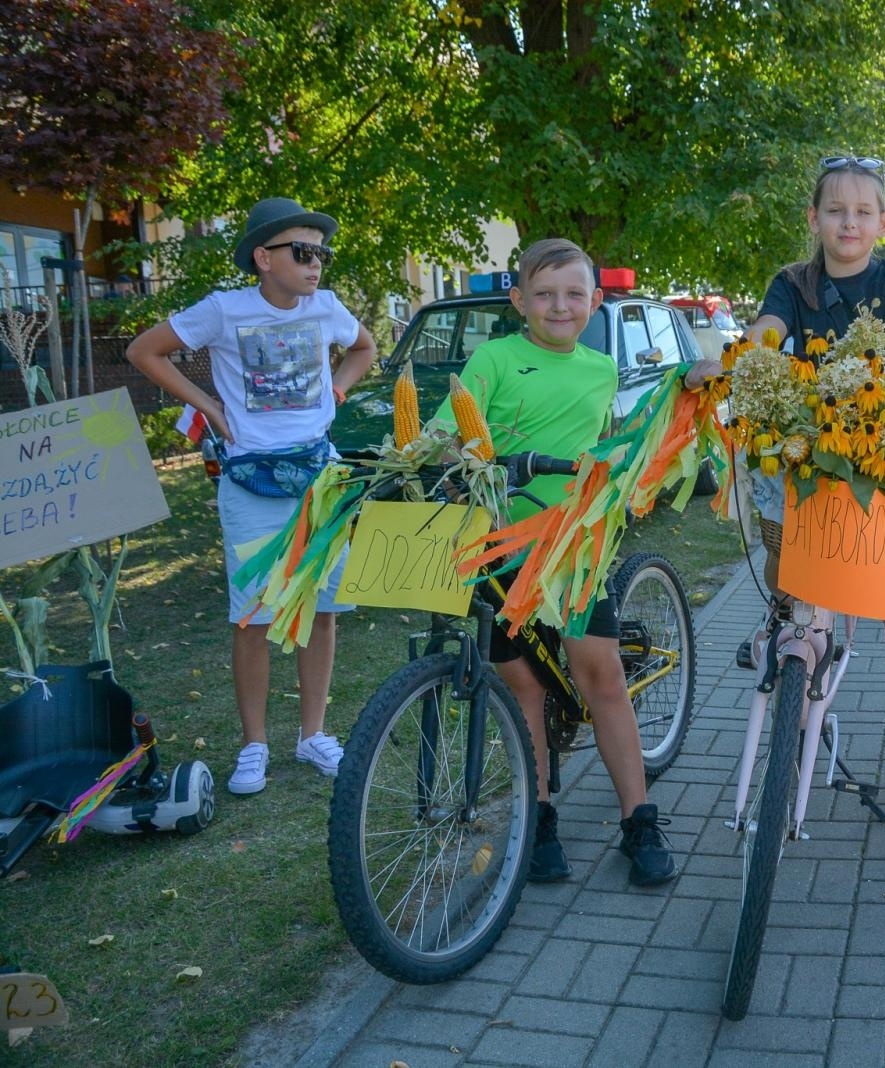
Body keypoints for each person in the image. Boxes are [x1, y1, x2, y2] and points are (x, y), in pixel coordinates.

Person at [694, 154, 885, 829]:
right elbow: (766, 333)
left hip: (883, 459)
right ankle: (789, 633)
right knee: (788, 561)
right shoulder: (793, 283)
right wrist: (736, 360)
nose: (849, 222)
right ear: (814, 218)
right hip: (809, 454)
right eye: (836, 210)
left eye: (863, 211)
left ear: (883, 221)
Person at [435, 237, 677, 886]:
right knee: (526, 688)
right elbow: (447, 435)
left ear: (595, 302)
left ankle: (639, 820)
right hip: (500, 550)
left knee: (602, 678)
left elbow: (604, 440)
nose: (560, 306)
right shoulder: (493, 358)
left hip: (572, 549)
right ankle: (539, 818)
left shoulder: (602, 369)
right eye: (544, 294)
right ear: (519, 301)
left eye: (574, 294)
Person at [126, 197, 377, 796]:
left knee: (321, 607)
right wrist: (208, 406)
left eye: (322, 253)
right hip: (250, 481)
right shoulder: (224, 310)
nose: (316, 263)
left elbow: (364, 348)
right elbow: (143, 350)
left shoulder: (327, 307)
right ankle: (254, 744)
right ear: (264, 258)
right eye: (304, 251)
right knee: (253, 615)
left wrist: (338, 388)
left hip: (320, 477)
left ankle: (312, 734)